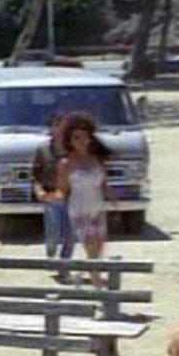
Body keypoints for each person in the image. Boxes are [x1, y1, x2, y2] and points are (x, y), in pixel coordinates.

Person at [56, 112, 113, 288]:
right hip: (79, 210)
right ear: (70, 140)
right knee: (90, 247)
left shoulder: (97, 160)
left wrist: (113, 199)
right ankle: (98, 288)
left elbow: (104, 184)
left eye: (84, 137)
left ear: (90, 138)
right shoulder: (66, 163)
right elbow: (62, 189)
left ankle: (82, 276)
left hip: (97, 208)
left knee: (98, 250)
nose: (81, 141)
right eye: (76, 138)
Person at [31, 113, 74, 281]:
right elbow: (34, 174)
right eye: (57, 125)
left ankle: (64, 268)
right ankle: (51, 253)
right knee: (53, 233)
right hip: (51, 195)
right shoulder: (43, 150)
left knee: (71, 235)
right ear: (51, 128)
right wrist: (39, 190)